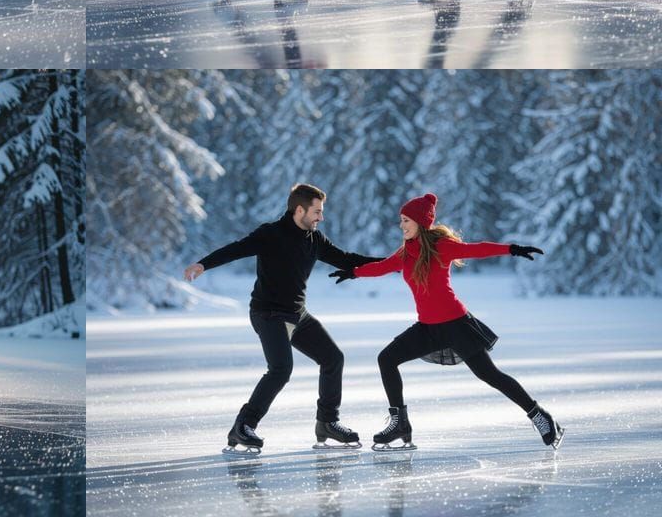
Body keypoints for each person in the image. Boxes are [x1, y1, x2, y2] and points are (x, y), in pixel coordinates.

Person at [330, 192, 563, 450]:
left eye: (406, 220)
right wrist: (354, 272)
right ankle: (400, 423)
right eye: (401, 220)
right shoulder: (406, 252)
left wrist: (511, 249)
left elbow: (476, 249)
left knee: (489, 374)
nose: (401, 225)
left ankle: (539, 415)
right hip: (427, 328)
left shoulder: (442, 246)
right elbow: (383, 266)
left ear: (420, 222)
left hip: (456, 326)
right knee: (386, 359)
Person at [183, 183, 379, 454]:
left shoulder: (315, 239)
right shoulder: (270, 234)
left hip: (297, 314)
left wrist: (395, 263)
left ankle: (328, 423)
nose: (320, 217)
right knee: (281, 369)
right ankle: (243, 426)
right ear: (300, 210)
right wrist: (203, 264)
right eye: (317, 212)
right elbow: (236, 249)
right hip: (268, 313)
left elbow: (347, 259)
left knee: (333, 358)